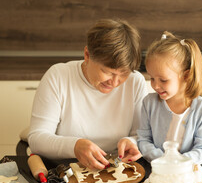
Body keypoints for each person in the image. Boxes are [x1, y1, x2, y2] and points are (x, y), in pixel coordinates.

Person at [28, 18, 148, 170]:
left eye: (123, 73)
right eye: (107, 72)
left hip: (116, 170)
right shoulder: (58, 76)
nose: (115, 82)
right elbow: (37, 139)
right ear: (87, 55)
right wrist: (74, 146)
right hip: (66, 170)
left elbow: (143, 135)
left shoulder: (135, 82)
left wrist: (133, 142)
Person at [137, 31, 202, 165]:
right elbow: (143, 140)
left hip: (187, 173)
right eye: (152, 78)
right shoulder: (149, 103)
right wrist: (162, 161)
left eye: (163, 80)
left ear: (186, 76)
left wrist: (179, 163)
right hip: (157, 169)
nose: (155, 85)